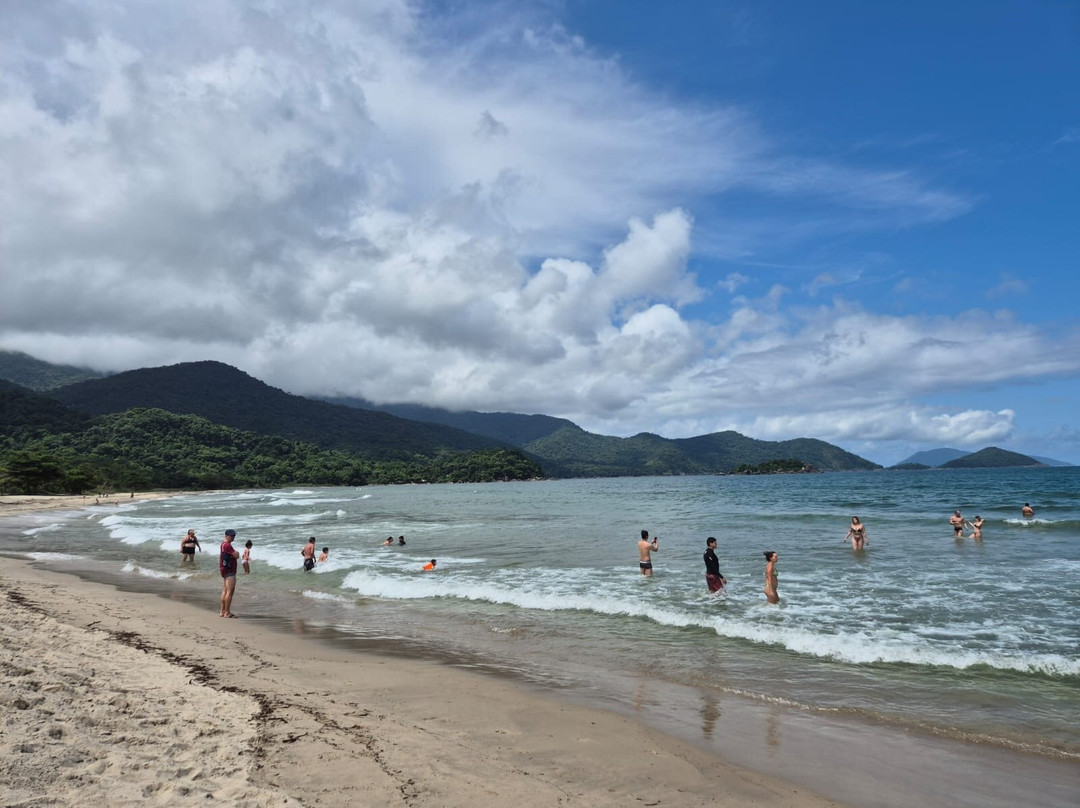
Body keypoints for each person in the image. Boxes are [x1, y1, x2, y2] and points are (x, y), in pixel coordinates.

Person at [219, 529, 240, 617]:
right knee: (230, 592)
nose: (233, 537)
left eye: (234, 535)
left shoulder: (223, 544)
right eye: (231, 536)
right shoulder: (227, 545)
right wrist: (237, 552)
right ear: (226, 536)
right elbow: (236, 555)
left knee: (225, 591)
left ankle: (222, 611)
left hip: (224, 569)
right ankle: (227, 612)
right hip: (229, 570)